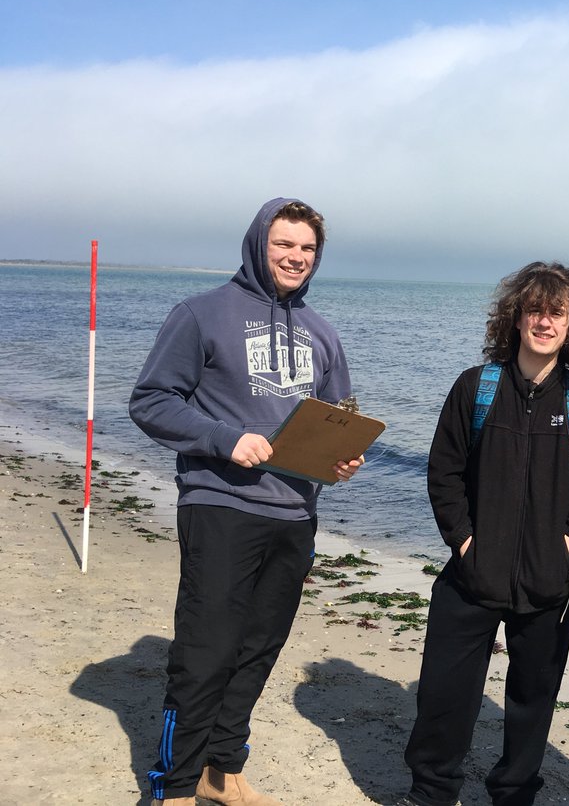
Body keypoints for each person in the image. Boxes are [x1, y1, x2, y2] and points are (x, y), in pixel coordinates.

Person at [129, 198, 363, 806]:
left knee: (259, 649)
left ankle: (222, 769)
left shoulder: (322, 333)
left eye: (307, 248)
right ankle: (175, 786)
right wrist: (224, 438)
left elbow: (337, 419)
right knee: (205, 651)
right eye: (284, 243)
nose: (296, 257)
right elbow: (151, 401)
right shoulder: (200, 314)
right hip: (220, 504)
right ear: (259, 243)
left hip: (295, 514)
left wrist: (342, 460)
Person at [402, 262, 569, 806]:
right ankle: (431, 792)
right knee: (444, 692)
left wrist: (564, 543)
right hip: (472, 574)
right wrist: (463, 540)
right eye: (535, 311)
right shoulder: (477, 387)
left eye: (557, 313)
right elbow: (444, 471)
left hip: (548, 583)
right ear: (516, 318)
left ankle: (514, 793)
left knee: (532, 699)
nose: (544, 322)